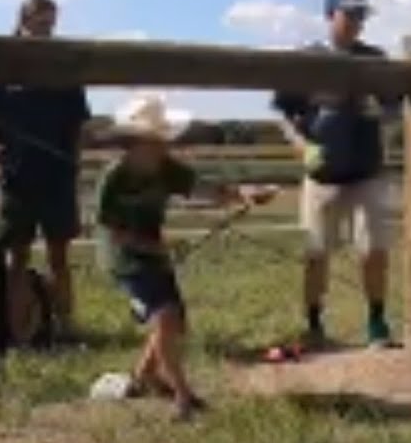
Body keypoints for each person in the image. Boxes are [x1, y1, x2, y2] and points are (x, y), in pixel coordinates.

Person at [94, 93, 277, 420]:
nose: (164, 145)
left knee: (173, 321)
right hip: (123, 258)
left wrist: (244, 193)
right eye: (155, 140)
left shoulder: (167, 168)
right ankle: (183, 396)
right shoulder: (114, 177)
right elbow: (112, 231)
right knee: (165, 315)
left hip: (154, 252)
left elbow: (206, 189)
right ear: (135, 142)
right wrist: (158, 248)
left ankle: (146, 377)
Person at [271, 0, 398, 348]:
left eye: (361, 15)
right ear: (331, 15)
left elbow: (396, 105)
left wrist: (382, 113)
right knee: (315, 253)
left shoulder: (375, 58)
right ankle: (313, 323)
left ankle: (376, 322)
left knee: (373, 249)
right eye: (350, 14)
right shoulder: (307, 60)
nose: (357, 22)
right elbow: (282, 114)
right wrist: (301, 146)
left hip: (366, 172)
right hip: (321, 176)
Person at [0, 0, 91, 344]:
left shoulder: (64, 68)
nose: (46, 30)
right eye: (40, 23)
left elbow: (79, 125)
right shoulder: (2, 67)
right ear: (23, 21)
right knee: (16, 261)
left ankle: (66, 330)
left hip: (57, 176)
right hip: (15, 177)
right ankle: (21, 336)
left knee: (59, 256)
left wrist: (75, 161)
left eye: (51, 23)